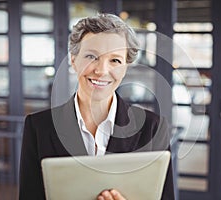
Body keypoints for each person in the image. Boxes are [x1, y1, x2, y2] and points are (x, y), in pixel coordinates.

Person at [19, 13, 175, 200]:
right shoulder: (38, 127)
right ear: (73, 60)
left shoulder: (153, 128)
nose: (101, 71)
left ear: (126, 67)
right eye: (92, 56)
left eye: (115, 60)